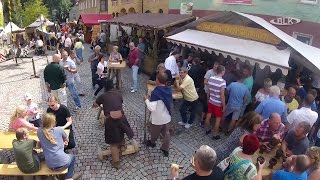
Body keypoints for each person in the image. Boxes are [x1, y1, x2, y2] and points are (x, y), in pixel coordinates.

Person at [93, 80, 134, 169]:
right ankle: (122, 145)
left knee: (113, 143)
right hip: (121, 118)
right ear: (112, 86)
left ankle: (116, 162)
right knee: (120, 132)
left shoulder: (103, 96)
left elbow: (95, 104)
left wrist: (99, 105)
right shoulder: (118, 94)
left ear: (105, 87)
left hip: (111, 120)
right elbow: (120, 102)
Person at [37, 113, 82, 179]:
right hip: (63, 163)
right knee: (72, 157)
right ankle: (69, 177)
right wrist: (64, 143)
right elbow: (67, 140)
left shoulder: (39, 131)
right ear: (53, 121)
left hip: (50, 165)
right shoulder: (59, 129)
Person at [145, 73, 172, 157]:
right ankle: (165, 149)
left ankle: (152, 143)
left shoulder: (156, 92)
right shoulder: (168, 89)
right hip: (166, 116)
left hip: (158, 118)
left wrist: (146, 100)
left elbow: (151, 108)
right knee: (166, 133)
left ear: (157, 80)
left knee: (155, 132)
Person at [205, 65, 226, 140]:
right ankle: (215, 134)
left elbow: (209, 90)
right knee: (218, 119)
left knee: (208, 115)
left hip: (211, 100)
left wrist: (208, 99)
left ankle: (207, 129)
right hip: (218, 103)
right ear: (222, 72)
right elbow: (222, 95)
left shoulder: (211, 78)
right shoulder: (222, 82)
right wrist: (224, 106)